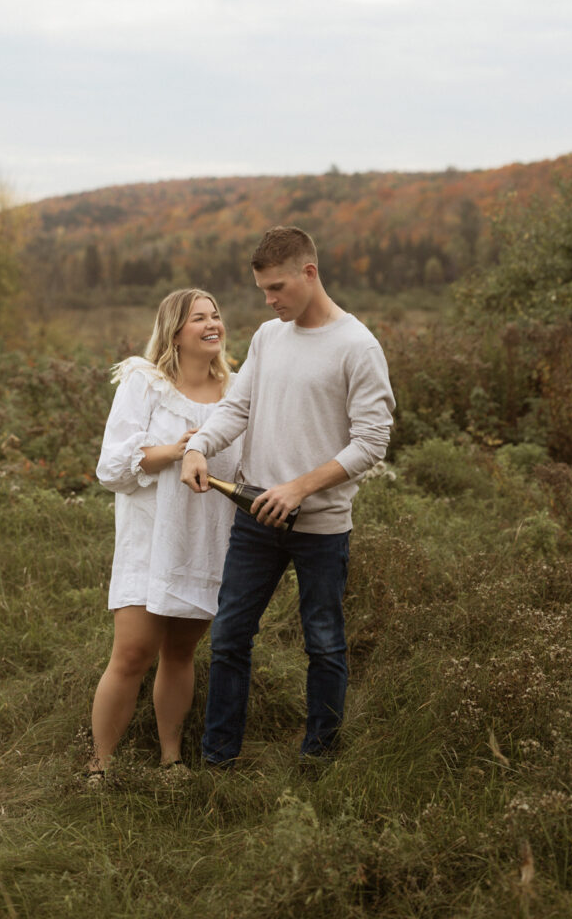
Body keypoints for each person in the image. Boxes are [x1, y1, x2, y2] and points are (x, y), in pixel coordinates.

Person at [181, 226, 395, 766]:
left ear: (309, 272)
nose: (270, 300)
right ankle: (218, 760)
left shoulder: (357, 347)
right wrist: (199, 446)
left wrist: (300, 487)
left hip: (321, 527)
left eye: (277, 288)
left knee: (323, 644)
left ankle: (317, 760)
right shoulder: (267, 337)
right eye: (262, 291)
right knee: (229, 638)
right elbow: (238, 407)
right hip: (256, 519)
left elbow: (372, 442)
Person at [89, 288, 241, 781]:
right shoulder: (145, 383)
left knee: (180, 652)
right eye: (199, 317)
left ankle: (170, 758)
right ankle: (101, 765)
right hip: (150, 540)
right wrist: (174, 451)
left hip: (204, 542)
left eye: (215, 315)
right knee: (132, 653)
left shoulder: (237, 392)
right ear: (175, 330)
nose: (212, 323)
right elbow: (111, 467)